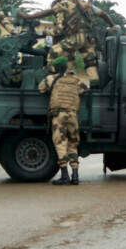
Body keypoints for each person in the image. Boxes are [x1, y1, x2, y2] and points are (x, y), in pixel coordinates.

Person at [20, 0, 115, 86]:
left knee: (53, 51)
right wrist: (112, 25)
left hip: (76, 38)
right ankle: (94, 81)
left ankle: (52, 77)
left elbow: (48, 12)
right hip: (90, 39)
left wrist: (28, 16)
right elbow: (103, 14)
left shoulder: (65, 3)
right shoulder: (86, 4)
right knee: (89, 62)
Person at [38, 57, 89, 185]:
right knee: (73, 143)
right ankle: (75, 176)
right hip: (72, 115)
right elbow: (85, 89)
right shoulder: (75, 80)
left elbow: (41, 88)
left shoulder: (52, 79)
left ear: (56, 67)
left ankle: (64, 176)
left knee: (60, 143)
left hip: (59, 115)